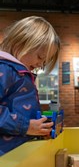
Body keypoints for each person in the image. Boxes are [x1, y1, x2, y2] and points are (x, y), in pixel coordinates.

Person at [0, 16, 61, 156]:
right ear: (20, 43)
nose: (40, 64)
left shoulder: (19, 72)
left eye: (45, 61)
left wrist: (38, 128)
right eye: (40, 57)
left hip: (16, 156)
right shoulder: (5, 69)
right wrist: (26, 126)